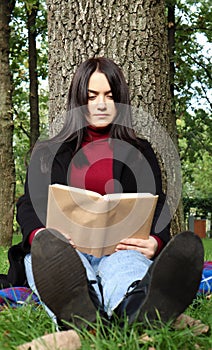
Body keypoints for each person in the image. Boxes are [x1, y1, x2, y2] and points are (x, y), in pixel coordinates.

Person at [2, 57, 204, 329]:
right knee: (59, 267)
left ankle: (136, 307)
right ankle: (81, 315)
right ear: (78, 100)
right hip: (64, 251)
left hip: (119, 250)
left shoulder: (140, 152)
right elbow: (28, 206)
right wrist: (42, 237)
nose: (100, 104)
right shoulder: (48, 151)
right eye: (92, 96)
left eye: (109, 96)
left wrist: (155, 241)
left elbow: (157, 207)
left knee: (127, 268)